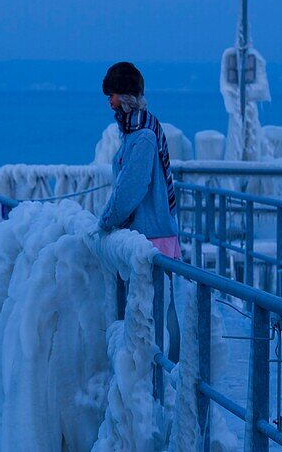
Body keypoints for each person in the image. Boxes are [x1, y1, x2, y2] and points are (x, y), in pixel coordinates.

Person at [98, 61, 181, 360]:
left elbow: (131, 188)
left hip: (151, 238)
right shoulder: (138, 132)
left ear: (127, 97)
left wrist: (105, 222)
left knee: (153, 327)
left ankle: (160, 386)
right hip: (147, 236)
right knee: (150, 322)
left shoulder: (143, 136)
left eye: (113, 94)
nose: (109, 102)